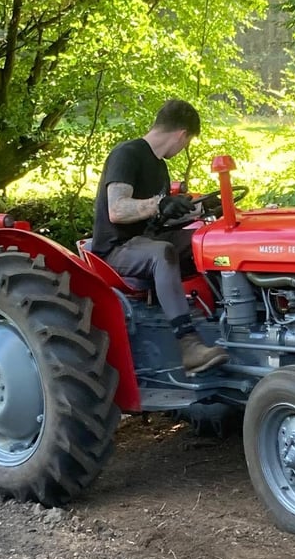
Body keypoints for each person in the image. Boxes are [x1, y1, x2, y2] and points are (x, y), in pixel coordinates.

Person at [92, 99, 228, 374]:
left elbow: (160, 216)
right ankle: (188, 344)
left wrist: (200, 209)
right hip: (117, 250)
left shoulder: (159, 166)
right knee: (162, 253)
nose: (183, 148)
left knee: (211, 243)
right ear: (182, 135)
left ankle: (230, 323)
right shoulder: (127, 154)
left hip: (149, 238)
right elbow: (117, 210)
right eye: (187, 142)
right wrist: (158, 203)